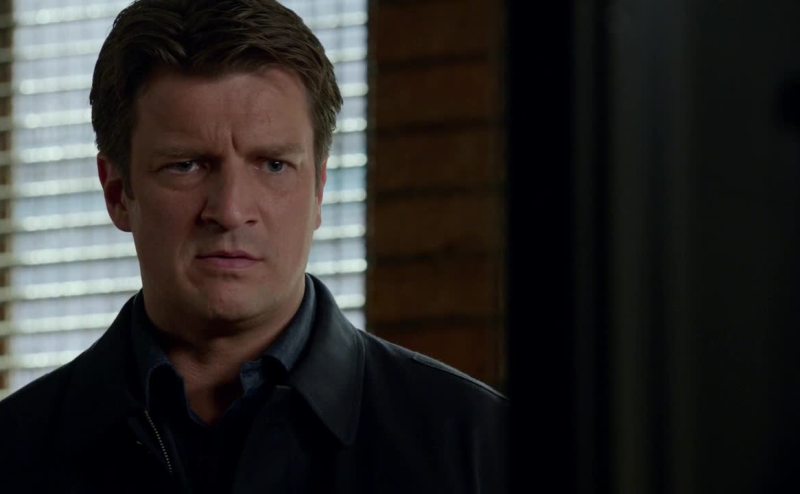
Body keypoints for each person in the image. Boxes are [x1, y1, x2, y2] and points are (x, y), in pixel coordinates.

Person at [0, 0, 507, 492]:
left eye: (273, 165)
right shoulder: (15, 449)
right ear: (117, 194)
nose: (229, 210)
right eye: (186, 165)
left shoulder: (482, 445)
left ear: (319, 191)